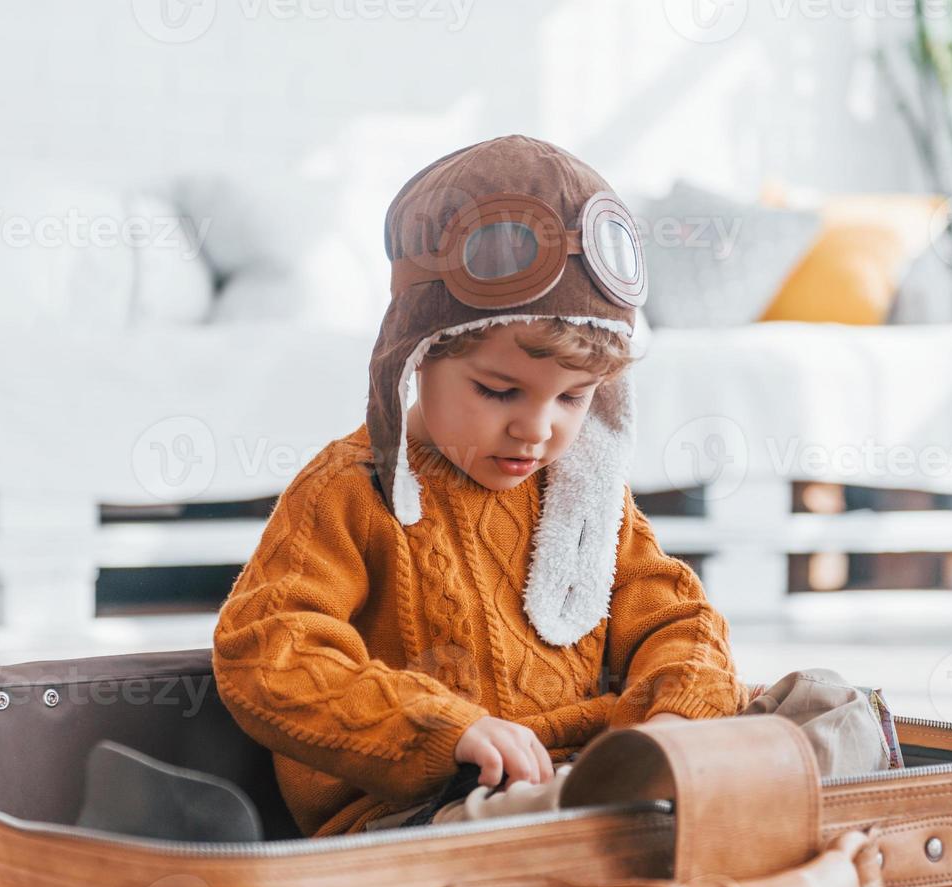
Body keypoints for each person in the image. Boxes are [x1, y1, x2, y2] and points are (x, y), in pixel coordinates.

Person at [212, 135, 749, 838]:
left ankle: (671, 798)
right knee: (543, 823)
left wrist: (676, 718)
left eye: (573, 399)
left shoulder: (582, 492)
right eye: (500, 391)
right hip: (434, 805)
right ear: (419, 354)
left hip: (599, 769)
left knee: (813, 704)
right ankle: (650, 815)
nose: (537, 430)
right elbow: (268, 651)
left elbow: (675, 622)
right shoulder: (349, 492)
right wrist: (442, 727)